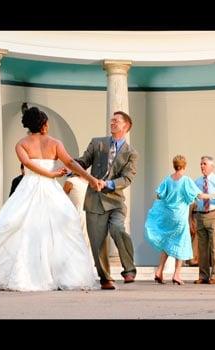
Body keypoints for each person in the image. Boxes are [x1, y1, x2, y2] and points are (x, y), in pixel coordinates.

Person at [0, 105, 100, 291]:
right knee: (56, 228)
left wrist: (52, 174)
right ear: (44, 125)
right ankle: (58, 274)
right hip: (48, 187)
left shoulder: (21, 144)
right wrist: (89, 178)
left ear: (28, 125)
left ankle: (32, 273)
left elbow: (27, 163)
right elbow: (70, 162)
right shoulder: (55, 143)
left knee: (22, 227)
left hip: (29, 187)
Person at [76, 111, 138, 290]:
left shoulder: (131, 153)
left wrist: (108, 183)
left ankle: (129, 269)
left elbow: (127, 179)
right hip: (94, 201)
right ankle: (105, 278)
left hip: (116, 201)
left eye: (116, 121)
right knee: (97, 243)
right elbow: (83, 161)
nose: (112, 122)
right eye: (111, 120)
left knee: (118, 228)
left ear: (126, 126)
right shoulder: (97, 143)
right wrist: (71, 166)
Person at [144, 155, 215, 285]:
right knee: (181, 244)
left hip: (168, 215)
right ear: (184, 166)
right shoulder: (186, 180)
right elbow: (199, 195)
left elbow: (159, 195)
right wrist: (213, 195)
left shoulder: (167, 179)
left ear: (174, 165)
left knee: (168, 242)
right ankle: (177, 274)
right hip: (180, 216)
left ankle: (159, 270)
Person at [63, 172, 110, 278]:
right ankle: (75, 269)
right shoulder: (71, 181)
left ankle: (88, 269)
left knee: (89, 240)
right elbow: (62, 198)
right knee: (78, 240)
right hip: (76, 214)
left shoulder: (91, 181)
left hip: (90, 213)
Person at [193, 156, 215, 285]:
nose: (202, 166)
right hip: (201, 215)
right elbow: (194, 197)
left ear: (212, 167)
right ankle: (203, 276)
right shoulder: (197, 182)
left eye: (205, 164)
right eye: (201, 164)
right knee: (202, 248)